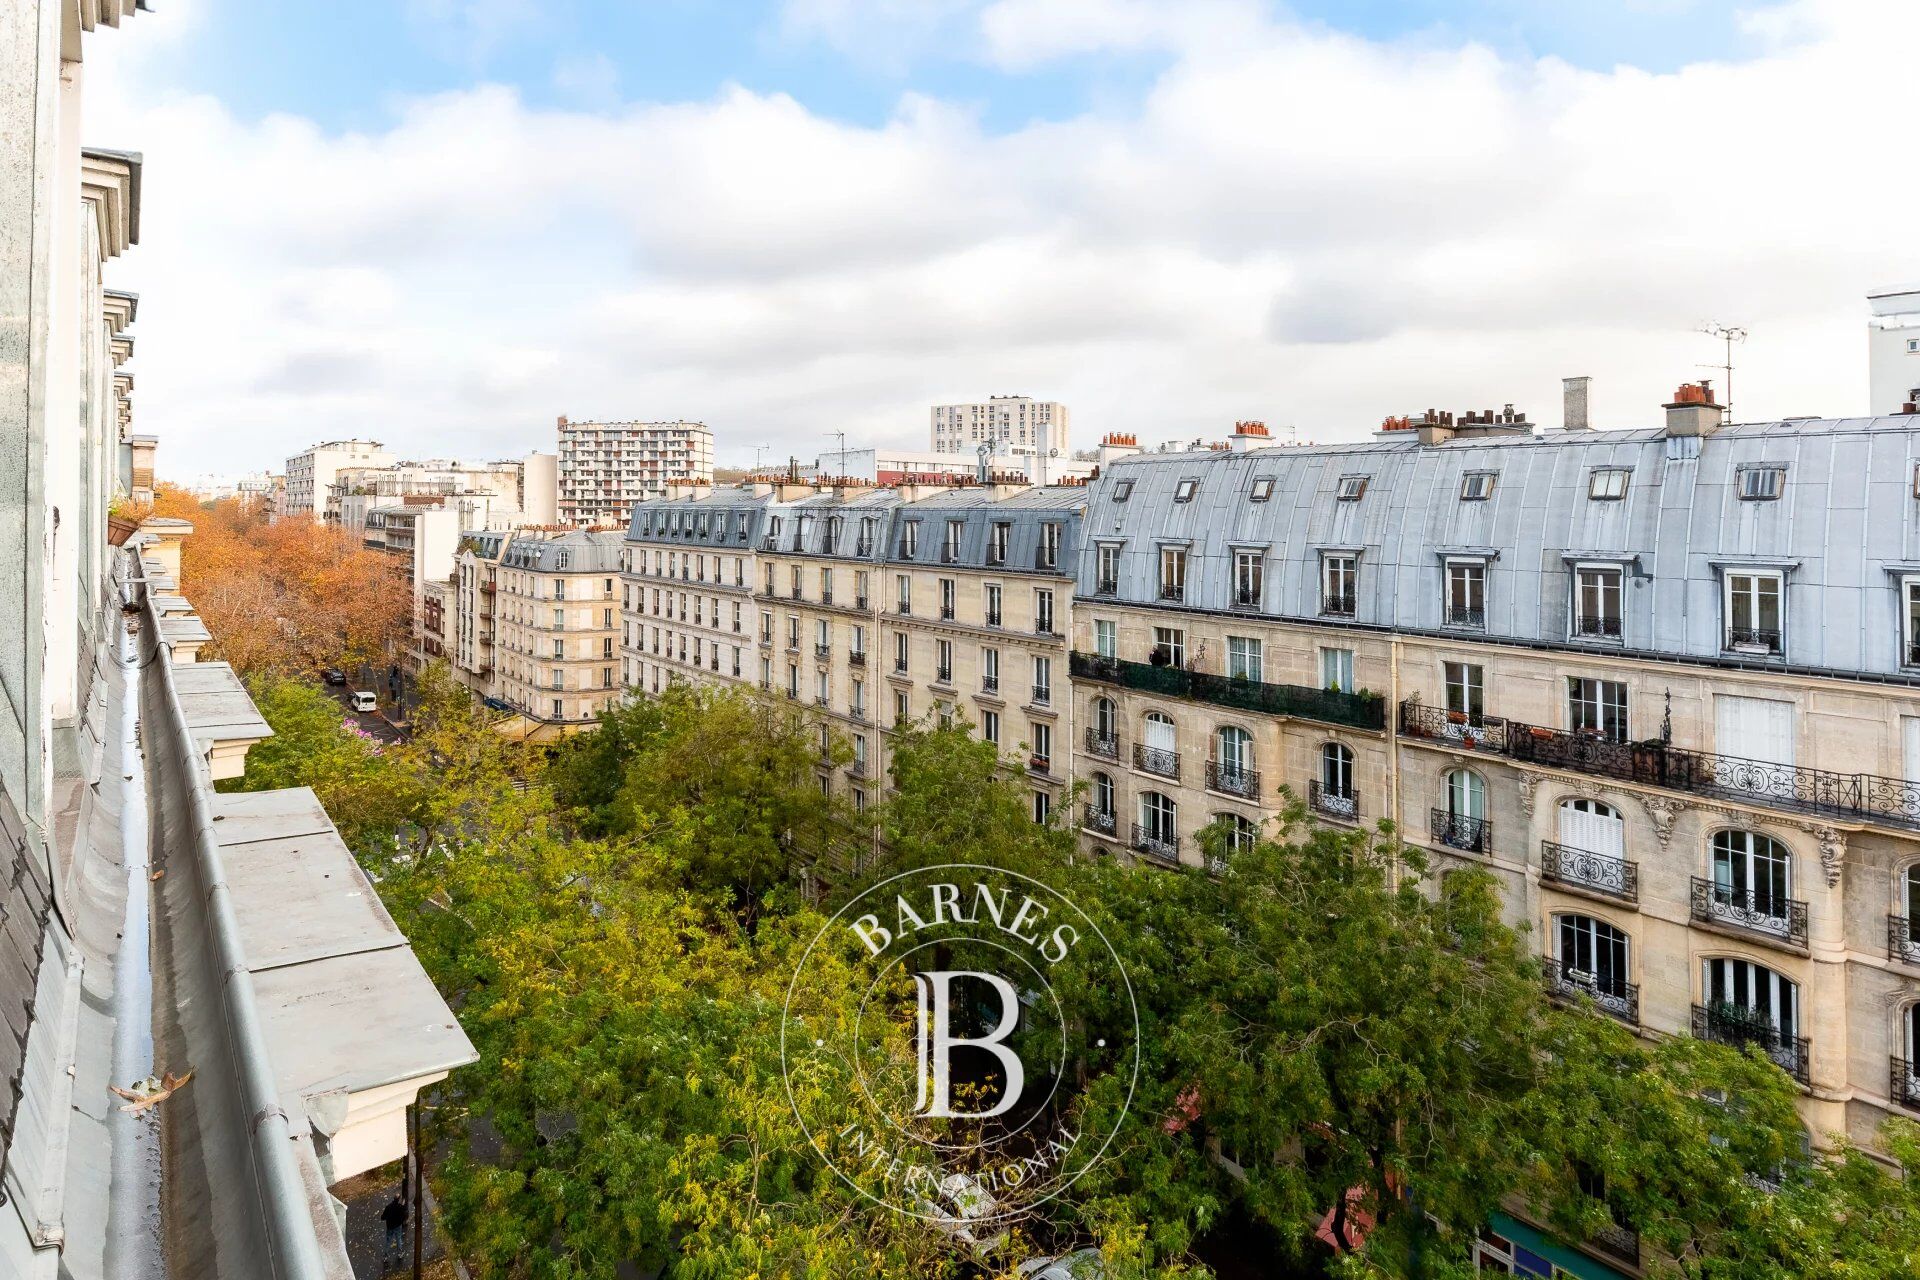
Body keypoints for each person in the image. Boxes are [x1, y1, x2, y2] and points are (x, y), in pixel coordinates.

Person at [381, 1191, 409, 1271]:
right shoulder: (400, 1207)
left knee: (388, 1241)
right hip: (398, 1226)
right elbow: (403, 1214)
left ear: (393, 1199)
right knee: (398, 1239)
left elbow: (383, 1217)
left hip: (390, 1227)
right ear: (399, 1199)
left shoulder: (388, 1207)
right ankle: (400, 1253)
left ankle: (385, 1256)